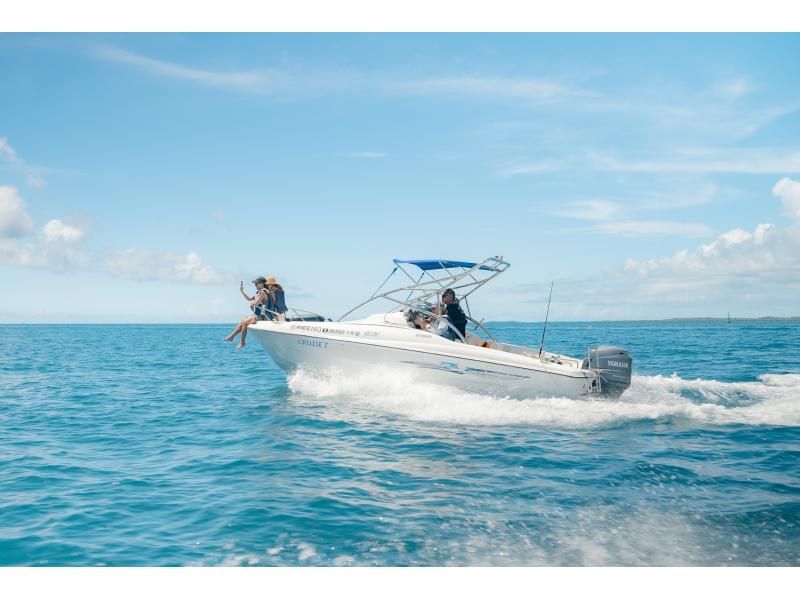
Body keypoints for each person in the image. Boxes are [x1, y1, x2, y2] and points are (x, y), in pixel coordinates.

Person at [224, 277, 270, 349]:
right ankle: (231, 336)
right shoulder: (259, 292)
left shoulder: (263, 292)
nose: (255, 285)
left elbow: (256, 303)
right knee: (242, 321)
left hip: (262, 315)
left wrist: (253, 303)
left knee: (244, 323)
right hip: (258, 314)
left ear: (262, 284)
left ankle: (242, 342)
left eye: (256, 283)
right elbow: (249, 299)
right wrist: (242, 291)